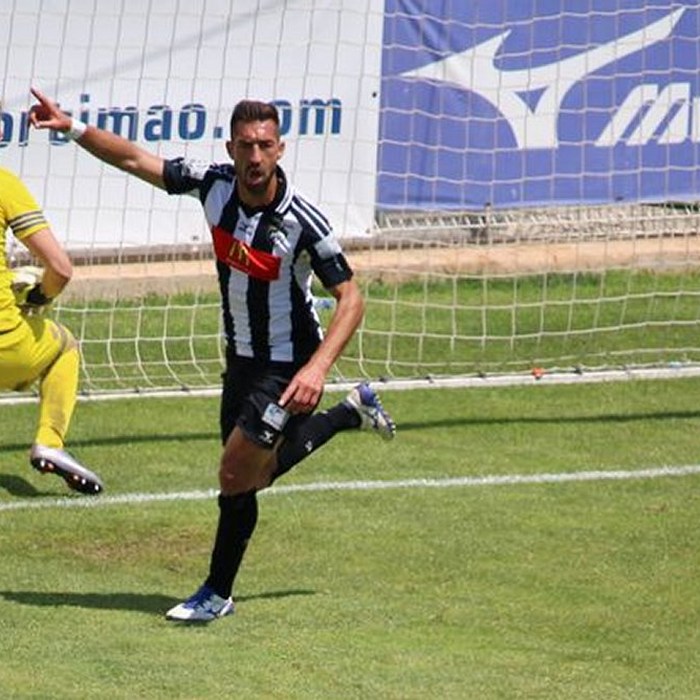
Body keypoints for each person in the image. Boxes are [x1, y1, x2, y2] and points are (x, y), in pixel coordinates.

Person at [29, 87, 396, 622]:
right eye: (246, 145)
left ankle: (216, 593)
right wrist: (73, 128)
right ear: (231, 149)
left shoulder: (303, 222)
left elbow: (352, 298)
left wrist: (317, 368)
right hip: (240, 359)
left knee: (232, 475)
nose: (255, 157)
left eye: (265, 145)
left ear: (280, 149)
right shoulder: (213, 185)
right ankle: (349, 413)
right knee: (253, 476)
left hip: (288, 366)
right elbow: (135, 160)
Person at [0, 113, 104, 495]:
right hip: (6, 343)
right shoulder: (5, 184)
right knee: (64, 347)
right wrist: (37, 296)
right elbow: (60, 268)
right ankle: (49, 442)